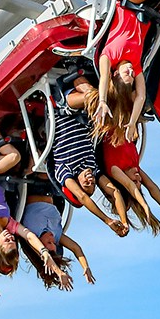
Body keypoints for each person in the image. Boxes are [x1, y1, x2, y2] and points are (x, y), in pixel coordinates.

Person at [95, 0, 160, 142]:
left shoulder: (109, 56)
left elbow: (103, 79)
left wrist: (102, 101)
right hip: (146, 10)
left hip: (128, 0)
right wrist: (132, 122)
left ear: (115, 73)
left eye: (126, 74)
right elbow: (141, 96)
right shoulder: (137, 65)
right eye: (132, 76)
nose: (131, 72)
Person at [0, 179, 69, 304]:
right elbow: (29, 236)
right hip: (1, 177)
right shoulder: (11, 223)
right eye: (13, 240)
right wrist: (45, 254)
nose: (10, 236)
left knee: (16, 158)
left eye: (7, 241)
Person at [48, 92, 129, 238]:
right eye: (92, 183)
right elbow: (114, 192)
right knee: (110, 96)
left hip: (62, 108)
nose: (90, 179)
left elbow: (82, 198)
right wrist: (124, 221)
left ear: (77, 183)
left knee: (100, 95)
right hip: (85, 111)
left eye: (86, 184)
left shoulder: (64, 170)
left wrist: (108, 220)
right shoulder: (92, 166)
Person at [21, 177, 94, 288]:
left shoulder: (31, 236)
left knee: (42, 168)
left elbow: (44, 254)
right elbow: (76, 248)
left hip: (32, 186)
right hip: (51, 189)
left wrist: (58, 272)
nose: (52, 240)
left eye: (49, 243)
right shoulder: (56, 234)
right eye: (54, 244)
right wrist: (86, 267)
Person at [101, 132, 160, 234]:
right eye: (140, 180)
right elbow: (151, 186)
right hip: (127, 126)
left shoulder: (114, 169)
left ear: (123, 179)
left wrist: (144, 206)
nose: (139, 177)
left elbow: (129, 186)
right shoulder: (134, 167)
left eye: (135, 181)